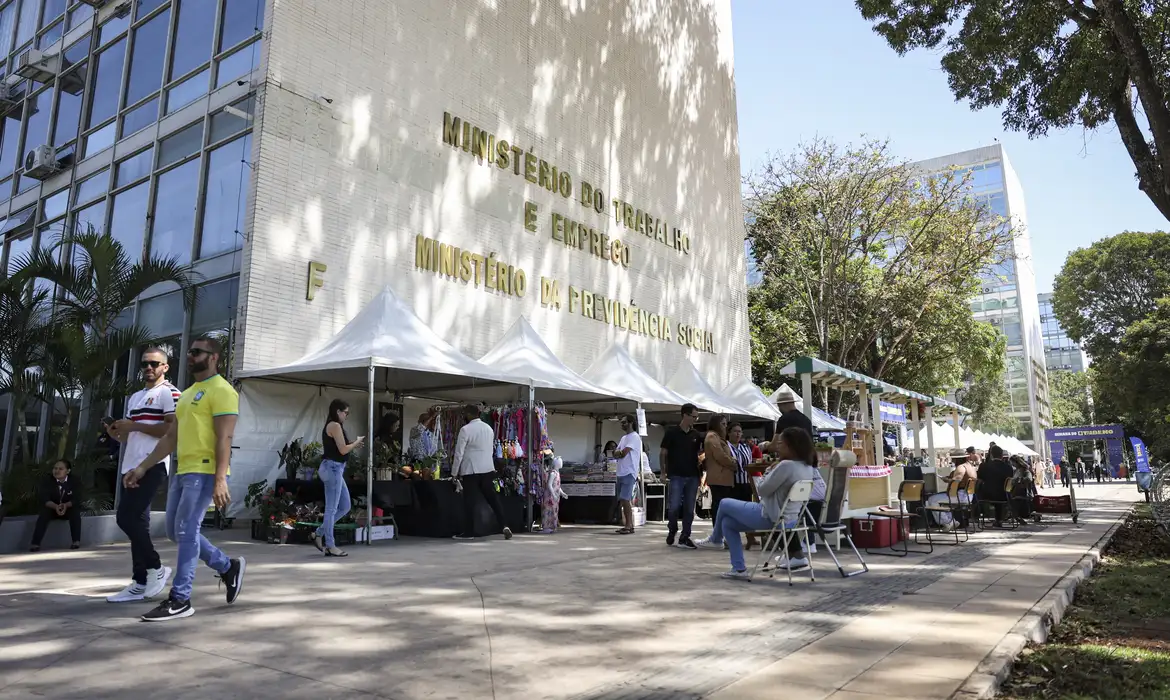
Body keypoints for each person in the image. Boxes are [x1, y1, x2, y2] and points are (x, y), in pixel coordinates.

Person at [124, 336, 245, 621]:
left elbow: (225, 438)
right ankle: (227, 567)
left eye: (197, 352)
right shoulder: (188, 393)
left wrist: (220, 478)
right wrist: (142, 467)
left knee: (188, 530)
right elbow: (170, 438)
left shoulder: (223, 391)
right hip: (183, 469)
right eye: (189, 352)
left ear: (213, 357)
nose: (190, 356)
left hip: (205, 471)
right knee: (174, 532)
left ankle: (180, 598)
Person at [105, 347, 180, 602]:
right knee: (138, 523)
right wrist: (116, 432)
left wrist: (135, 425)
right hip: (131, 465)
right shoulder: (136, 397)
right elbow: (130, 435)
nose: (149, 367)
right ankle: (139, 581)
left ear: (165, 367)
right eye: (145, 364)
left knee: (126, 518)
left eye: (154, 364)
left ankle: (156, 567)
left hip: (153, 464)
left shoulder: (169, 393)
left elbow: (170, 430)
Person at [694, 427, 820, 580]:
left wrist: (768, 471)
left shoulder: (786, 466)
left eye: (781, 443)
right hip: (789, 518)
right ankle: (738, 568)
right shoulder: (807, 467)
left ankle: (716, 539)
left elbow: (762, 489)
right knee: (727, 523)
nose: (777, 446)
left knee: (724, 503)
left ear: (791, 446)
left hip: (769, 515)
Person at [451, 404, 512, 541]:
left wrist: (454, 472)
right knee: (493, 500)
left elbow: (459, 453)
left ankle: (469, 532)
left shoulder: (465, 430)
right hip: (487, 468)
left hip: (471, 470)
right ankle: (504, 525)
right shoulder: (488, 428)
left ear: (468, 414)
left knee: (469, 503)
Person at [313, 399, 365, 557]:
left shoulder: (334, 425)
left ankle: (319, 533)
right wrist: (355, 443)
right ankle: (330, 545)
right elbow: (342, 450)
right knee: (332, 509)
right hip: (333, 468)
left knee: (345, 506)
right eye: (346, 413)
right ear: (338, 411)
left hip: (335, 468)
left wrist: (353, 444)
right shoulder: (334, 425)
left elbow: (339, 447)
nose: (347, 416)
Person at [660, 403, 703, 549]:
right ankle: (672, 529)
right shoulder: (672, 432)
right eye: (694, 416)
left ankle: (685, 536)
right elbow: (663, 453)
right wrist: (663, 472)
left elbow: (700, 453)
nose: (695, 419)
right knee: (674, 507)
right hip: (676, 475)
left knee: (689, 509)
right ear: (685, 415)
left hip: (692, 476)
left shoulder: (696, 435)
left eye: (697, 417)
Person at [30, 459, 82, 552]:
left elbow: (77, 498)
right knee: (44, 513)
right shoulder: (47, 480)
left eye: (60, 469)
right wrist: (56, 507)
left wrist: (65, 505)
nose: (57, 471)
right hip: (52, 508)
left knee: (75, 512)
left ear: (68, 471)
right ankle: (35, 543)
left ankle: (76, 541)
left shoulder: (75, 480)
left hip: (68, 508)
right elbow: (44, 498)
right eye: (55, 468)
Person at [925, 448, 978, 529]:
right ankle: (951, 521)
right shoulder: (970, 467)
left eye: (953, 459)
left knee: (932, 499)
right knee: (941, 501)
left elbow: (957, 480)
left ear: (957, 459)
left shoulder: (961, 467)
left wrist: (947, 480)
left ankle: (948, 522)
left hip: (961, 496)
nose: (952, 461)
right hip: (969, 495)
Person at [702, 415, 737, 533]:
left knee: (723, 507)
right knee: (719, 507)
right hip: (719, 478)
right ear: (716, 424)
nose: (725, 427)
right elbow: (720, 456)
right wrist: (733, 463)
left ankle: (721, 533)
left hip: (724, 478)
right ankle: (718, 534)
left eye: (726, 424)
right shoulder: (712, 437)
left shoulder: (718, 437)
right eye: (723, 424)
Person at [727, 424, 757, 549]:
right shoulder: (726, 447)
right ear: (729, 433)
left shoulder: (745, 447)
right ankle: (731, 538)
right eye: (735, 431)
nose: (738, 434)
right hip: (732, 483)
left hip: (745, 482)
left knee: (747, 511)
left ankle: (750, 536)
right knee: (732, 512)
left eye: (740, 431)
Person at [613, 415, 643, 535]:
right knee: (623, 500)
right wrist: (618, 453)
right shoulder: (624, 438)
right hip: (621, 472)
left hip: (629, 472)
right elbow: (616, 452)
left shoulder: (634, 437)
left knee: (625, 499)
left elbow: (623, 453)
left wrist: (619, 453)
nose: (622, 425)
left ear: (630, 423)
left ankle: (629, 525)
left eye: (624, 422)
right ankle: (627, 524)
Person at [977, 445, 1015, 527]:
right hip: (1004, 495)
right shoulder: (1009, 468)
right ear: (1002, 456)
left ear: (991, 455)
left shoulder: (984, 466)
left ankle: (978, 515)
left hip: (987, 495)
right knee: (999, 491)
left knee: (979, 490)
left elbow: (979, 478)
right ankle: (999, 519)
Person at [540, 453, 567, 533]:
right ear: (557, 463)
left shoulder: (557, 473)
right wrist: (553, 494)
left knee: (554, 511)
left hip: (555, 496)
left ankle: (552, 526)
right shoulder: (553, 473)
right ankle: (546, 527)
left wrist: (562, 493)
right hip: (550, 496)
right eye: (560, 462)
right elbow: (549, 484)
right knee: (548, 510)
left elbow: (557, 485)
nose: (561, 463)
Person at [1010, 455, 1037, 523]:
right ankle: (1015, 516)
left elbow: (1029, 479)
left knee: (1014, 501)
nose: (1012, 464)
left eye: (1013, 462)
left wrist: (1019, 480)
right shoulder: (1016, 470)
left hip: (1023, 491)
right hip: (1016, 490)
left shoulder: (1025, 470)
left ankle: (1017, 516)